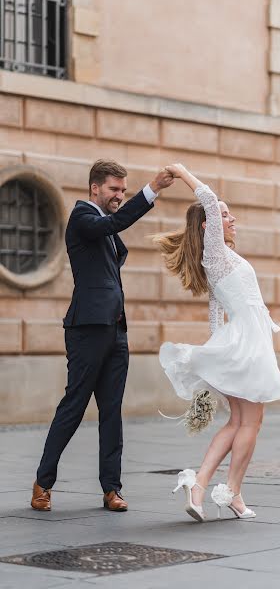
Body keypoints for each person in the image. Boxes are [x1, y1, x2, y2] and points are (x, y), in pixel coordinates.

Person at [31, 159, 174, 512]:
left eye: (124, 190)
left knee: (112, 412)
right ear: (95, 188)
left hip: (115, 329)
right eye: (114, 189)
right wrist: (151, 188)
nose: (119, 196)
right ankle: (42, 483)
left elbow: (113, 251)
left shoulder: (104, 229)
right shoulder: (82, 217)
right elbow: (115, 222)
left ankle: (112, 489)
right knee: (74, 406)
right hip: (87, 330)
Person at [155, 164, 280, 522]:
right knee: (250, 423)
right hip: (249, 343)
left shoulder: (219, 259)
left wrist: (218, 359)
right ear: (208, 226)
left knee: (236, 422)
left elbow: (216, 315)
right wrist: (183, 172)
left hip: (240, 343)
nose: (230, 219)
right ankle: (229, 492)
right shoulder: (214, 252)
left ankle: (200, 488)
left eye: (229, 215)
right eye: (224, 215)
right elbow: (209, 200)